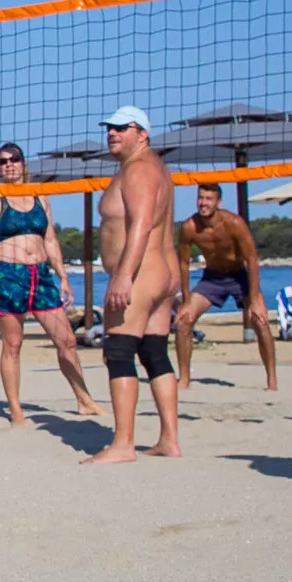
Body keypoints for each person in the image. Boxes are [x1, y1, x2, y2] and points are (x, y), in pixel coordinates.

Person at [0, 142, 103, 428]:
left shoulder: (40, 196)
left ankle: (84, 400)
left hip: (41, 275)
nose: (9, 164)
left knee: (66, 340)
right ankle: (16, 410)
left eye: (14, 159)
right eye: (3, 161)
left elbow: (51, 239)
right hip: (7, 275)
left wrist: (63, 276)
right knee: (13, 345)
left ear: (23, 163)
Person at [88, 108, 180, 463]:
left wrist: (123, 274)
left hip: (142, 272)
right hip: (160, 273)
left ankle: (124, 444)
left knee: (119, 352)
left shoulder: (140, 169)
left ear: (142, 134)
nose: (112, 133)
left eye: (121, 129)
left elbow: (140, 225)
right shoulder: (151, 168)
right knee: (154, 352)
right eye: (109, 129)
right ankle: (169, 440)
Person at [174, 182, 279, 393]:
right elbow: (184, 264)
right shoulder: (189, 227)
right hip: (212, 278)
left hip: (239, 276)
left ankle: (272, 380)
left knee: (260, 320)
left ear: (218, 202)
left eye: (208, 199)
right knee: (183, 321)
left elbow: (252, 258)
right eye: (201, 198)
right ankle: (184, 379)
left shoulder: (233, 223)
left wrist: (256, 297)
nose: (203, 203)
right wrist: (185, 301)